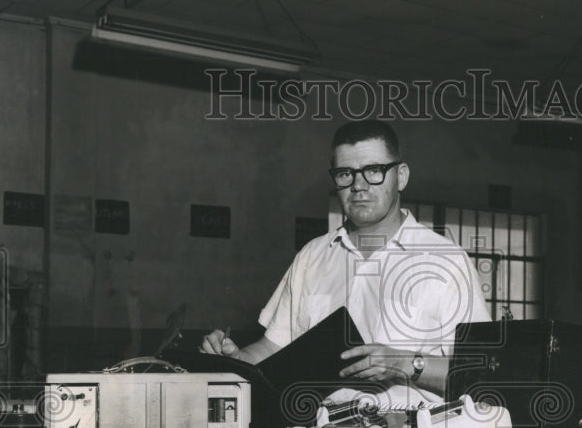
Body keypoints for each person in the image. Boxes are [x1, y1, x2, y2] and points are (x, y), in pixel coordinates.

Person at [201, 120, 490, 406]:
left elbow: (478, 373)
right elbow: (273, 348)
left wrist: (405, 363)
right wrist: (236, 361)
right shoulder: (311, 257)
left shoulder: (447, 263)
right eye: (345, 174)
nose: (359, 186)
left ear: (401, 176)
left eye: (374, 171)